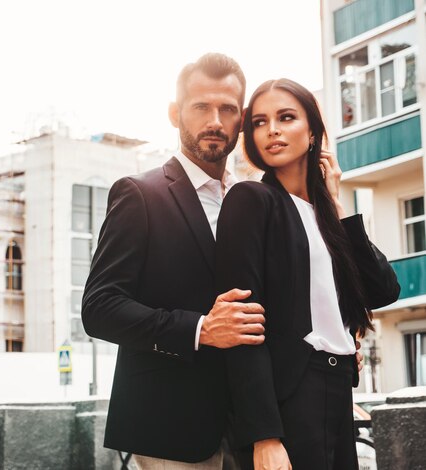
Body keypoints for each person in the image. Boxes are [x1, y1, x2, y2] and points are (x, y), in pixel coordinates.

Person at [81, 53, 268, 468]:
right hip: (170, 426)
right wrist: (200, 329)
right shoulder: (139, 194)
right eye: (201, 106)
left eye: (227, 109)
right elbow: (99, 309)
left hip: (253, 428)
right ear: (174, 113)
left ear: (241, 119)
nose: (215, 120)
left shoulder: (256, 200)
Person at [215, 78, 400, 470]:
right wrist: (264, 435)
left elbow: (384, 290)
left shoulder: (325, 216)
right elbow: (243, 324)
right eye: (260, 122)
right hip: (290, 396)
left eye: (286, 117)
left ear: (313, 131)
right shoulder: (251, 200)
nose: (273, 130)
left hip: (337, 391)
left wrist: (337, 204)